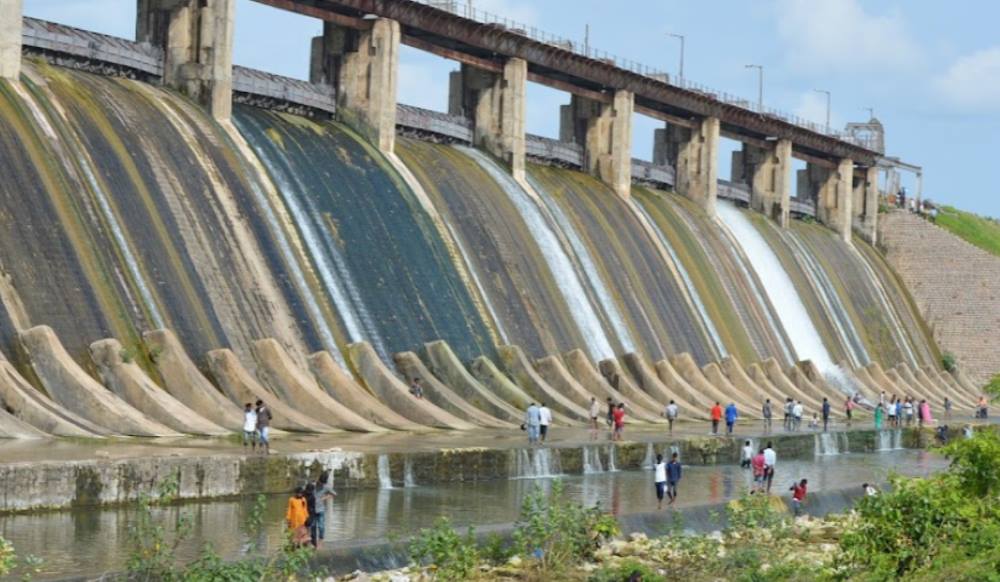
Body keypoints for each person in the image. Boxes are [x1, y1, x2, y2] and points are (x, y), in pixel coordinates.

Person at [313, 471, 336, 545]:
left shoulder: (326, 486)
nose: (320, 484)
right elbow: (305, 491)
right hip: (312, 509)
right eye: (319, 482)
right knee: (313, 526)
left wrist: (325, 497)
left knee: (321, 526)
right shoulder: (313, 485)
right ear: (318, 479)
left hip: (320, 509)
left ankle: (321, 540)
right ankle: (313, 541)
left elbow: (334, 494)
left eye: (322, 483)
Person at [304, 482, 318, 548]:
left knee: (312, 528)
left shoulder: (312, 497)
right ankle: (309, 543)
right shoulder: (305, 494)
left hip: (310, 513)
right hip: (305, 513)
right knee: (308, 528)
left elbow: (313, 508)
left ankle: (313, 543)